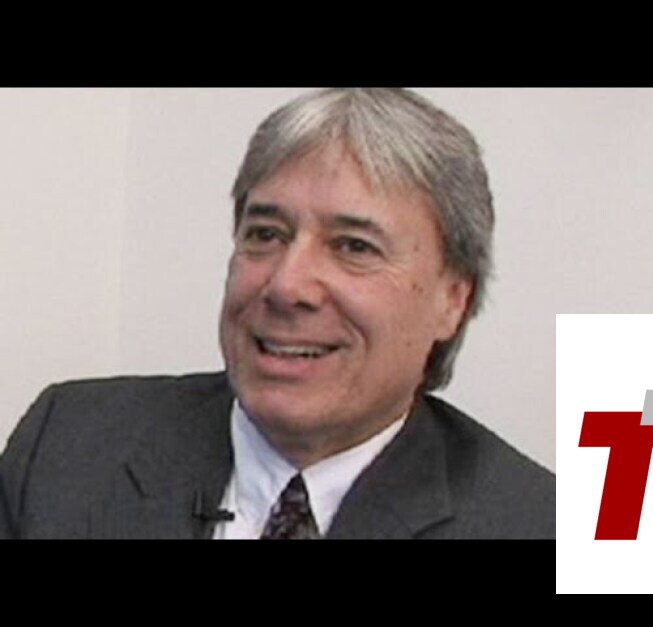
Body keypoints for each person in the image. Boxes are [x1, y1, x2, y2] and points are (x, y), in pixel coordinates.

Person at [0, 88, 556, 539]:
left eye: (353, 246)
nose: (287, 285)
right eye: (266, 234)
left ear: (452, 300)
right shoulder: (68, 445)